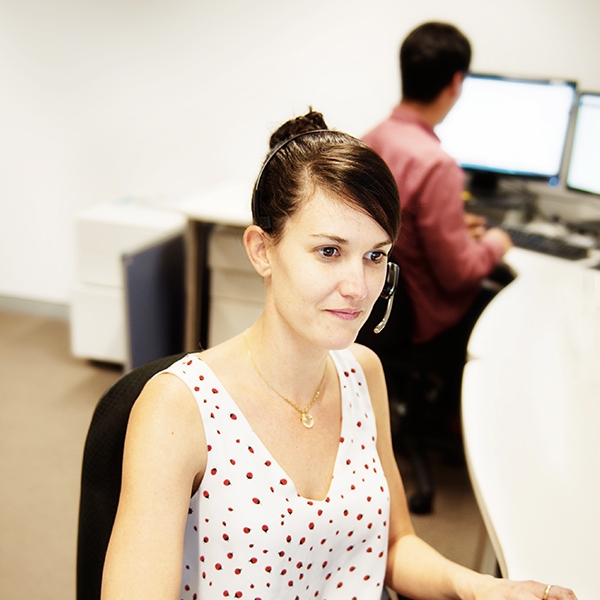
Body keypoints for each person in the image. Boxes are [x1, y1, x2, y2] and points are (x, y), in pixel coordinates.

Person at [101, 110, 575, 600]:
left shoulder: (363, 372)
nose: (357, 287)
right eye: (329, 251)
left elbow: (393, 546)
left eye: (375, 256)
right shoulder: (177, 408)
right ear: (262, 250)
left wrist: (479, 588)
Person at [361, 22, 514, 406]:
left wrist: (452, 224)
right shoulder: (437, 164)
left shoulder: (373, 139)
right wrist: (496, 244)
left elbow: (399, 220)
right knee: (498, 298)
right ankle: (459, 421)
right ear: (455, 82)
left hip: (377, 300)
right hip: (413, 314)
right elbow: (457, 273)